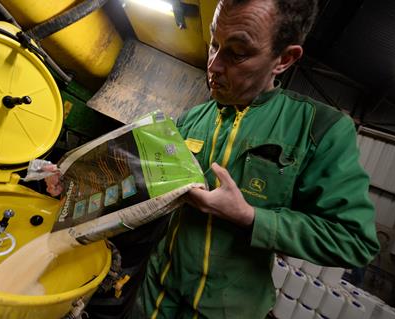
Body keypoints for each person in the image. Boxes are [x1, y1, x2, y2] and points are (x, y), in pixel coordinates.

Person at [138, 0, 380, 318]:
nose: (213, 65)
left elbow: (354, 240)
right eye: (213, 43)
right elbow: (145, 184)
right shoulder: (193, 118)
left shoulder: (319, 129)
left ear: (283, 59)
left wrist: (251, 217)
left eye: (237, 53)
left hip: (227, 309)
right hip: (157, 293)